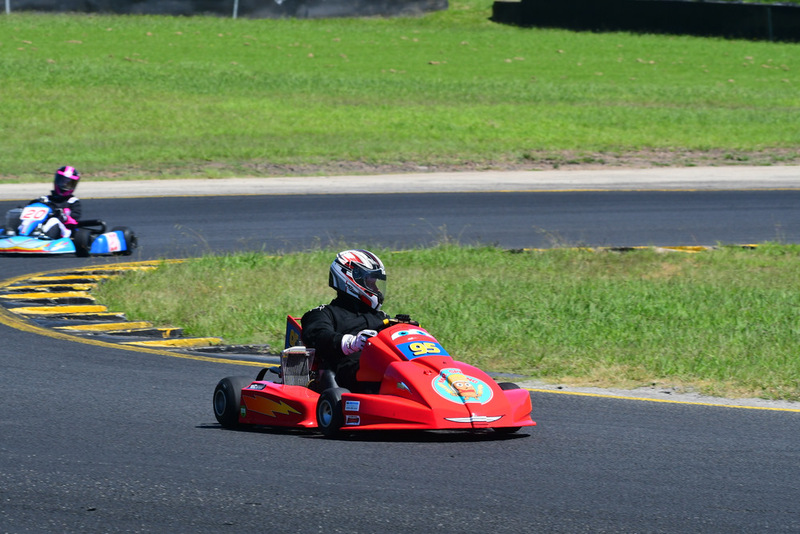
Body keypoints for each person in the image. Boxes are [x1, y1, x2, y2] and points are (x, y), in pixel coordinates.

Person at [301, 249, 393, 391]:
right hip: (348, 373)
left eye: (376, 284)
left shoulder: (380, 317)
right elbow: (317, 335)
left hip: (383, 368)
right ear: (351, 279)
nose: (377, 290)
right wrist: (351, 343)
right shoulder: (324, 313)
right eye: (371, 283)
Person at [31, 165, 83, 239]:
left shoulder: (73, 202)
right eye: (62, 181)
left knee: (53, 220)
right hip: (41, 227)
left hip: (64, 233)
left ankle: (42, 236)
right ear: (57, 180)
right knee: (16, 213)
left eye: (68, 183)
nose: (64, 185)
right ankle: (14, 233)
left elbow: (74, 220)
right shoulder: (46, 199)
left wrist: (63, 217)